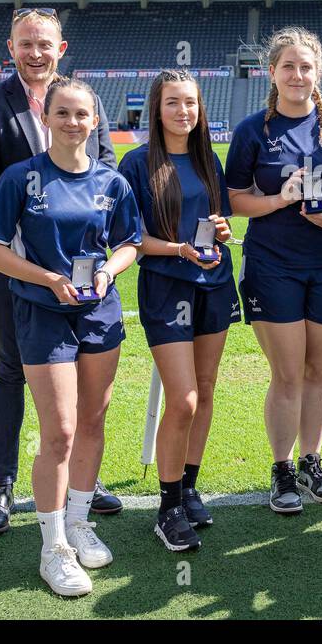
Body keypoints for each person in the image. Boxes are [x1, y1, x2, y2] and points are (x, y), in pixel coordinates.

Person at [0, 78, 141, 597]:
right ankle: (52, 547)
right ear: (45, 118)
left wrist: (109, 272)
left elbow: (129, 243)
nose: (73, 122)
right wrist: (46, 278)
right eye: (63, 113)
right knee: (61, 431)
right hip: (42, 313)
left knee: (93, 419)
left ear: (96, 122)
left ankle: (78, 520)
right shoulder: (20, 178)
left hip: (100, 312)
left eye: (82, 115)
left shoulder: (112, 182)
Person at [0, 8, 121, 537]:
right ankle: (2, 483)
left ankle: (82, 478)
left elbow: (108, 173)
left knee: (79, 377)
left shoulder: (85, 99)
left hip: (83, 272)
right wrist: (37, 221)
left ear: (61, 47)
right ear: (11, 47)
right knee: (8, 368)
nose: (35, 52)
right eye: (26, 43)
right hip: (17, 267)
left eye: (45, 44)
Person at [224, 27, 322, 515]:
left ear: (318, 72)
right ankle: (282, 468)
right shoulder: (252, 131)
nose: (298, 75)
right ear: (272, 72)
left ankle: (311, 461)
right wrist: (278, 199)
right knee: (287, 372)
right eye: (288, 66)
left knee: (317, 369)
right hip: (272, 263)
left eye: (306, 67)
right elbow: (234, 200)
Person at [118, 70, 238, 551]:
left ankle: (189, 488)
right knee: (183, 398)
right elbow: (130, 239)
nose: (183, 111)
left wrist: (221, 234)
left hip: (214, 281)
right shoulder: (136, 164)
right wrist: (178, 249)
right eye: (173, 103)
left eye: (190, 102)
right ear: (157, 108)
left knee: (205, 393)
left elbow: (221, 220)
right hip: (167, 286)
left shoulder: (210, 160)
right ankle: (167, 507)